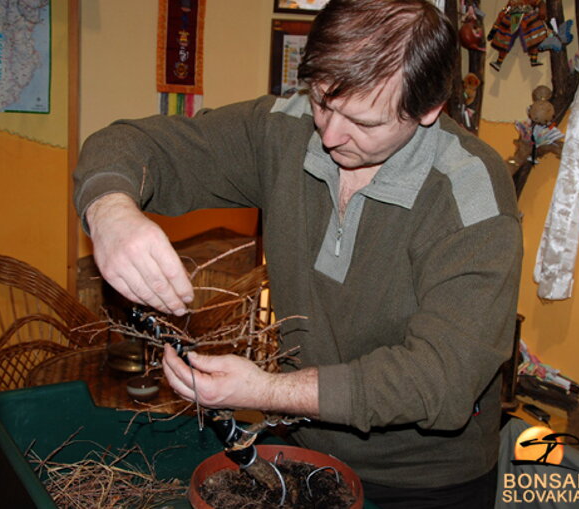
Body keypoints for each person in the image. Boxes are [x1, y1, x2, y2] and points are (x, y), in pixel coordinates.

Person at [74, 1, 522, 507]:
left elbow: (438, 380)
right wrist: (110, 212)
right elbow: (132, 144)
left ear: (428, 109)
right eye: (322, 101)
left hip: (422, 483)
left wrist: (268, 392)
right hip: (299, 447)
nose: (329, 136)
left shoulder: (471, 195)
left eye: (363, 122)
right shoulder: (284, 130)